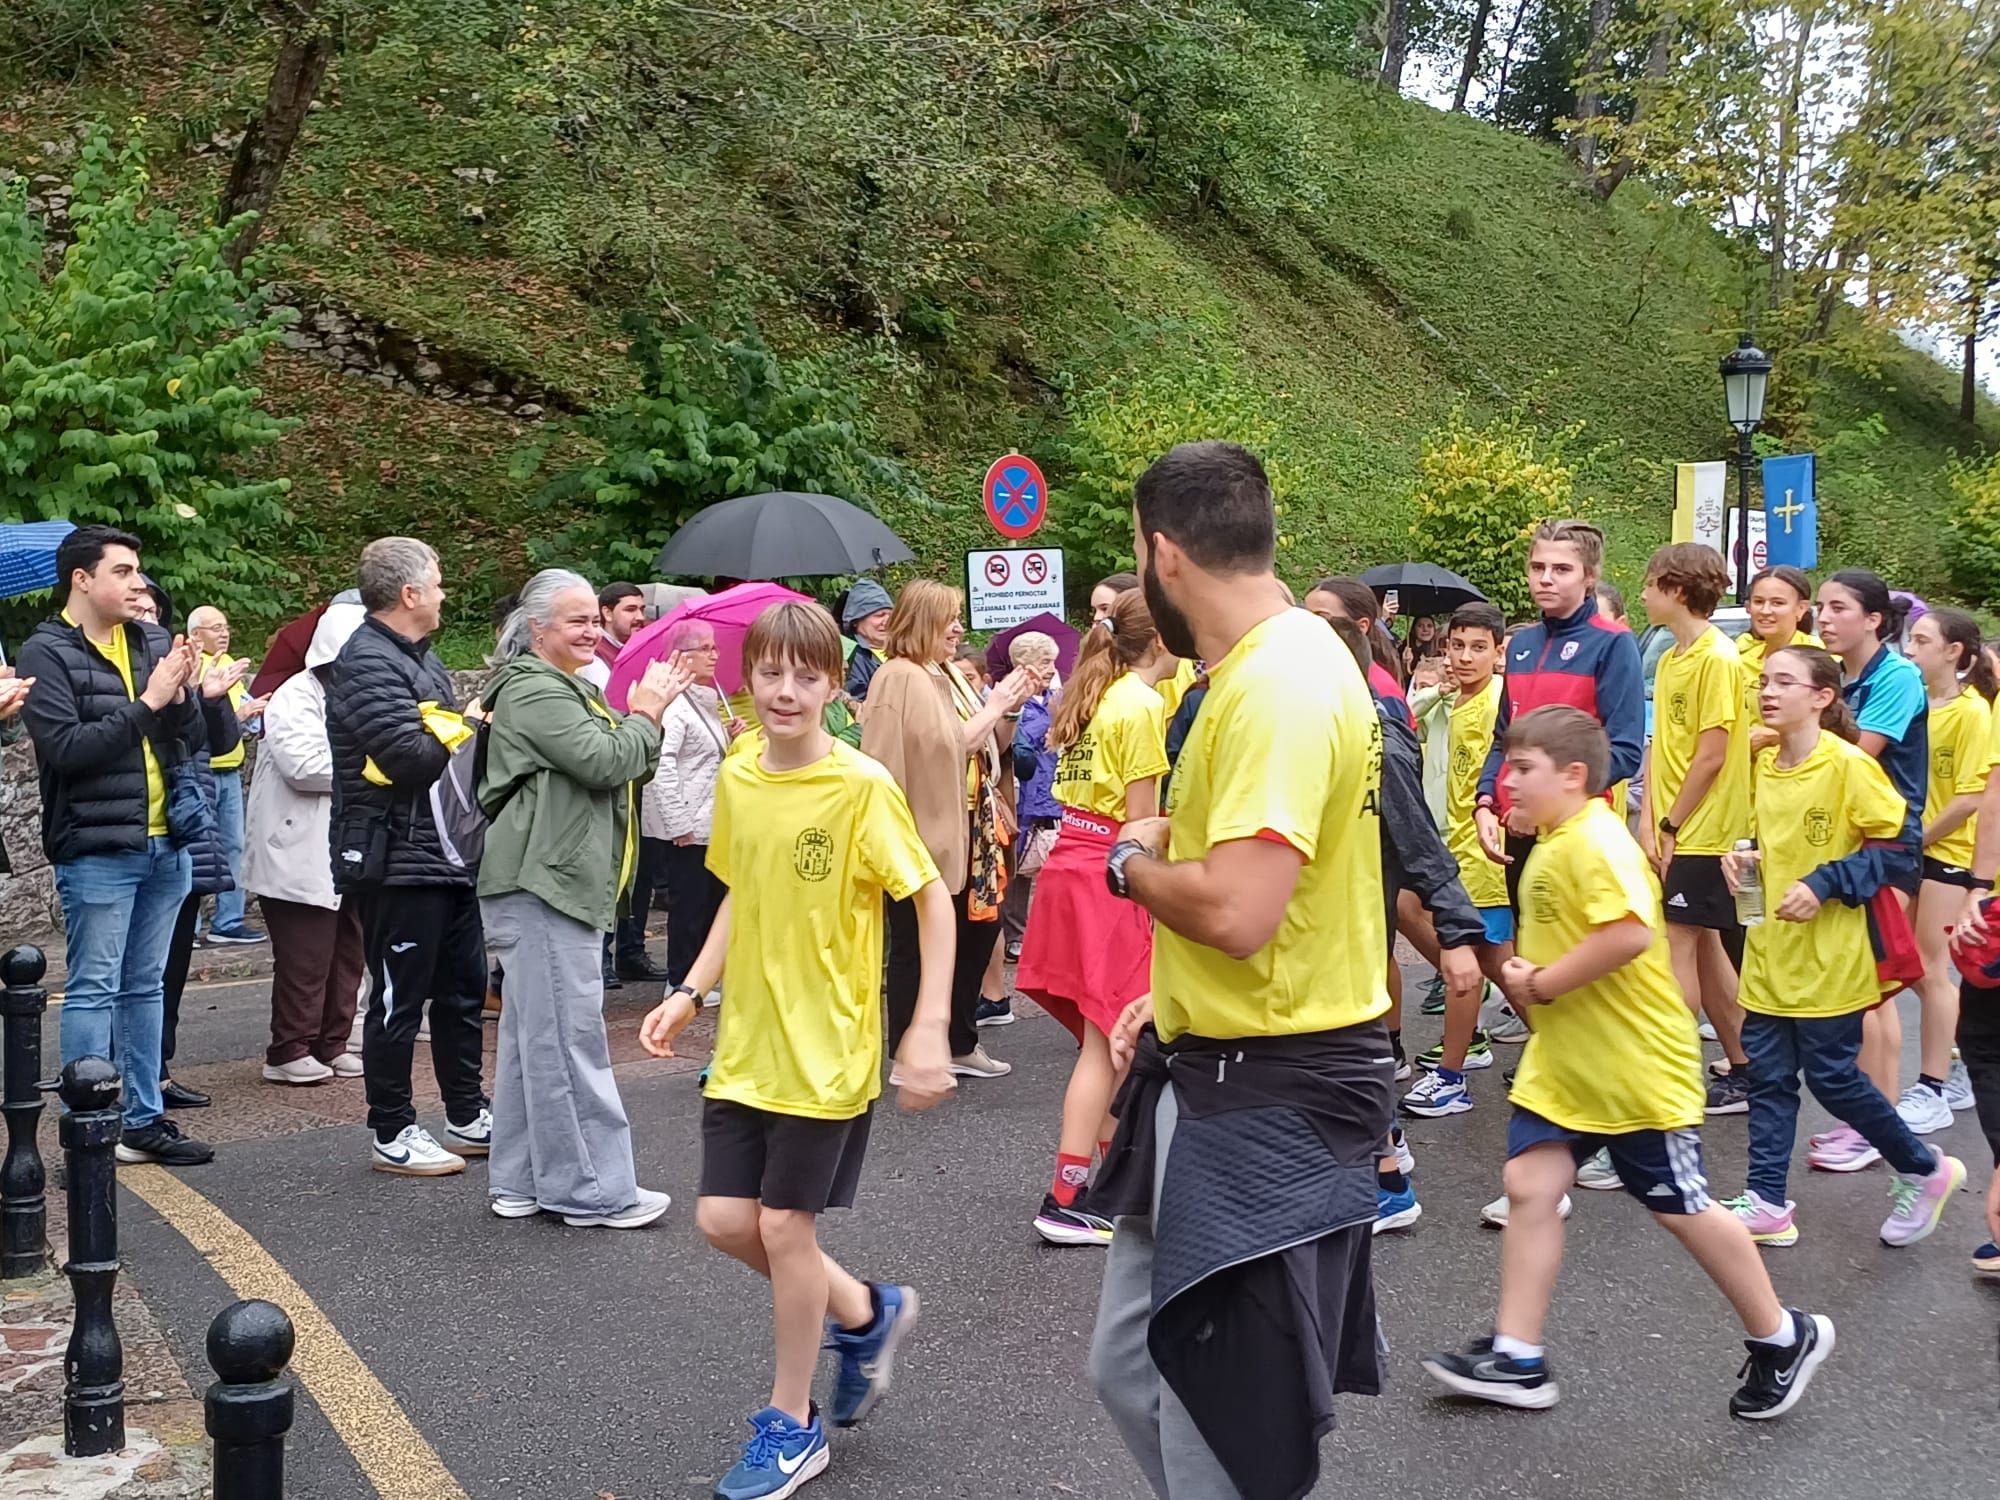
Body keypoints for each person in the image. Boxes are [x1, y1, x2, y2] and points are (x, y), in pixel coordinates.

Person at [1085, 441, 1391, 1500]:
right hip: (1208, 1060)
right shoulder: (1270, 667)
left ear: (1163, 554)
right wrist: (1163, 992)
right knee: (1130, 1367)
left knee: (1223, 1426)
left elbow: (1237, 909)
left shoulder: (1279, 686)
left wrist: (1126, 861)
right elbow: (1283, 891)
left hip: (1272, 1089)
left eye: (1134, 551)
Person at [1422, 706, 1834, 1421]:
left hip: (1634, 1067)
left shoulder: (1595, 843)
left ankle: (1783, 1334)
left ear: (1574, 775)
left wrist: (1541, 983)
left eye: (1524, 770)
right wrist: (1533, 971)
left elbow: (1627, 935)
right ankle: (1518, 1357)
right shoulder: (1557, 839)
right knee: (1528, 1182)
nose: (1508, 783)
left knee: (1683, 1209)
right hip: (1573, 1063)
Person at [637, 600, 956, 1500]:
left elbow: (928, 897)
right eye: (772, 672)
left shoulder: (858, 786)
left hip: (829, 1048)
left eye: (807, 676)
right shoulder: (741, 769)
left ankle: (793, 1424)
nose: (786, 691)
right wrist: (690, 990)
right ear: (751, 676)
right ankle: (863, 1312)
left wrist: (925, 1025)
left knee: (783, 1227)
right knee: (723, 1222)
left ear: (832, 686)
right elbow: (741, 890)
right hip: (748, 1041)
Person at [1723, 646, 1967, 1246]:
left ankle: (1925, 1167)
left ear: (1823, 697)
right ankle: (1767, 1200)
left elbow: (1898, 848)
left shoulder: (1848, 766)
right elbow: (1770, 836)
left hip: (1831, 959)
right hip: (1770, 951)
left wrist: (1825, 882)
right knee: (1770, 1078)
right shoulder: (1765, 764)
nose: (1769, 692)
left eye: (1785, 682)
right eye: (1764, 682)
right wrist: (1745, 857)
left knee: (1832, 1080)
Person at [478, 569, 689, 1228]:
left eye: (592, 619)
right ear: (536, 627)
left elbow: (627, 759)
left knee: (529, 1042)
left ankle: (518, 1182)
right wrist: (647, 713)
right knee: (568, 1040)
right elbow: (605, 761)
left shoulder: (556, 686)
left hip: (546, 878)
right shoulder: (534, 689)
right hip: (544, 880)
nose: (592, 630)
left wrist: (638, 727)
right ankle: (592, 1191)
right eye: (577, 620)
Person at [18, 525, 217, 1165]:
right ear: (83, 579)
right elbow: (68, 752)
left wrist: (183, 695)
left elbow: (187, 737)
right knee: (94, 986)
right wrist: (149, 701)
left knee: (146, 985)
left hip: (168, 839)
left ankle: (143, 1120)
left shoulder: (154, 638)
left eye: (138, 573)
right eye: (124, 572)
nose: (138, 585)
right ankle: (88, 1127)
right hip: (100, 846)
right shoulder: (46, 652)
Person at [326, 536, 492, 1177]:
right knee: (399, 1000)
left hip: (445, 852)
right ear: (410, 593)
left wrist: (446, 723)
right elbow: (411, 760)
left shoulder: (421, 656)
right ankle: (391, 1130)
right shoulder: (366, 660)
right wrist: (463, 724)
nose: (447, 593)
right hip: (392, 856)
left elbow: (429, 740)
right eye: (440, 581)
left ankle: (464, 1113)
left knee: (461, 991)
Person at [1016, 589, 1175, 1246]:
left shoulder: (1097, 693)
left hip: (1070, 864)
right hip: (1108, 871)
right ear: (1162, 639)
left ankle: (1100, 1180)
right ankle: (1069, 1194)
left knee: (1108, 1037)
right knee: (1106, 1043)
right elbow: (1142, 822)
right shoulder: (1140, 704)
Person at [861, 580, 1039, 1081]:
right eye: (949, 619)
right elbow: (946, 745)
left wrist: (1009, 706)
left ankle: (958, 1042)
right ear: (921, 622)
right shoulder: (898, 676)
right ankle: (910, 1052)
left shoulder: (942, 673)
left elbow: (988, 745)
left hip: (970, 830)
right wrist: (992, 704)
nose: (959, 628)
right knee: (918, 945)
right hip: (922, 832)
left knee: (977, 934)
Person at [1809, 569, 1926, 1166]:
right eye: (1821, 608)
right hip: (1843, 847)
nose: (1823, 618)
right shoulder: (1844, 677)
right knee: (1857, 984)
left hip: (1887, 849)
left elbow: (1855, 757)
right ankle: (1866, 1117)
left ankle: (1880, 1122)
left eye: (1838, 608)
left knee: (1876, 988)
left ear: (1875, 619)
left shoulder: (1897, 676)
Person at [1637, 544, 1755, 1116]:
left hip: (1704, 829)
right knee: (1707, 951)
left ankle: (1672, 1080)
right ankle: (1745, 1066)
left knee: (1677, 951)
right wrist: (1648, 819)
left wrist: (1673, 822)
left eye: (1651, 583)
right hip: (1675, 826)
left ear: (1677, 589)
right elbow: (1664, 744)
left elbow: (1711, 755)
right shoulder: (1669, 657)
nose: (1643, 593)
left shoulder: (1718, 657)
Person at [1403, 602, 1519, 1122]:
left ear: (1499, 653)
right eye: (1457, 646)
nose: (1465, 657)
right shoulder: (1455, 700)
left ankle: (1453, 1075)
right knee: (1497, 968)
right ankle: (1569, 1058)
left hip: (1486, 862)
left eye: (1479, 647)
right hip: (1455, 854)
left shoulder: (1499, 702)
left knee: (1480, 966)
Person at [245, 599, 368, 1086]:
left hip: (345, 846)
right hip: (297, 847)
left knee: (349, 952)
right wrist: (371, 764)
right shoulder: (294, 696)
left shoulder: (357, 697)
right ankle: (289, 1049)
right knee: (307, 956)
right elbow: (305, 767)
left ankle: (332, 1043)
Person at [145, 583, 248, 1116]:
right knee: (129, 973)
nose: (143, 618)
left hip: (186, 828)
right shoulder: (114, 674)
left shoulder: (177, 671)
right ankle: (117, 1087)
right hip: (133, 836)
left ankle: (158, 1074)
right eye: (135, 608)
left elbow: (223, 744)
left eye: (152, 614)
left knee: (173, 968)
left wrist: (208, 701)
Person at [1893, 608, 1991, 1132]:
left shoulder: (1973, 713)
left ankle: (1932, 1087)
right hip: (1914, 851)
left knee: (1930, 967)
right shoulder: (1918, 703)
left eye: (1923, 641)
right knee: (1900, 962)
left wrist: (1915, 839)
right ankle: (1955, 1053)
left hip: (1947, 854)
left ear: (1953, 652)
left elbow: (1970, 798)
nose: (1911, 649)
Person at [645, 617, 735, 990]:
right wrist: (678, 822)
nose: (714, 655)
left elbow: (703, 756)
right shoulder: (676, 706)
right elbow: (662, 765)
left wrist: (729, 737)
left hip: (710, 820)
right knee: (689, 905)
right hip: (689, 825)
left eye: (715, 647)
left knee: (710, 901)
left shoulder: (706, 701)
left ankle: (703, 978)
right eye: (705, 648)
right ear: (682, 656)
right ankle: (680, 979)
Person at [187, 604, 268, 945]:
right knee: (194, 849)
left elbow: (237, 718)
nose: (224, 633)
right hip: (200, 772)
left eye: (226, 626)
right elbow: (196, 719)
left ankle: (229, 920)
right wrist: (241, 711)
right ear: (195, 635)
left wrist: (253, 713)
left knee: (235, 846)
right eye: (215, 628)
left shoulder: (228, 665)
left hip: (230, 771)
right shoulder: (191, 667)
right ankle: (187, 928)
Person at [996, 630, 1061, 982]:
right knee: (1017, 866)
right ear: (1024, 665)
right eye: (1044, 662)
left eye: (1052, 661)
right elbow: (1019, 742)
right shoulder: (1011, 698)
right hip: (1022, 794)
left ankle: (1035, 935)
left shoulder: (1052, 696)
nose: (1051, 668)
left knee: (1044, 865)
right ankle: (1014, 935)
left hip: (1048, 794)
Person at [1738, 566, 1818, 750]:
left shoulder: (1819, 659)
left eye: (1777, 603)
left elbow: (1839, 730)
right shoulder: (1739, 659)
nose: (1765, 611)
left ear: (1801, 608)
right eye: (1758, 601)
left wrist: (1776, 737)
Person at [1305, 575, 1411, 714]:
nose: (1307, 624)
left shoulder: (1382, 691)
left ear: (1362, 626)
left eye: (1321, 617)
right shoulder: (1309, 673)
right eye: (1305, 616)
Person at [579, 581, 645, 692]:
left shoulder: (642, 646)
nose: (640, 617)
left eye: (642, 609)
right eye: (630, 610)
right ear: (607, 613)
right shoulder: (593, 654)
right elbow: (609, 702)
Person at [841, 579, 893, 703]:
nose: (887, 622)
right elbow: (857, 700)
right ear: (856, 621)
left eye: (891, 615)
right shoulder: (850, 656)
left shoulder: (902, 650)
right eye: (880, 615)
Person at [1402, 612, 1444, 679]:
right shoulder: (1404, 650)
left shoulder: (1440, 651)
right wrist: (1405, 664)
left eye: (1429, 626)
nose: (1425, 629)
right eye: (1420, 626)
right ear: (1413, 630)